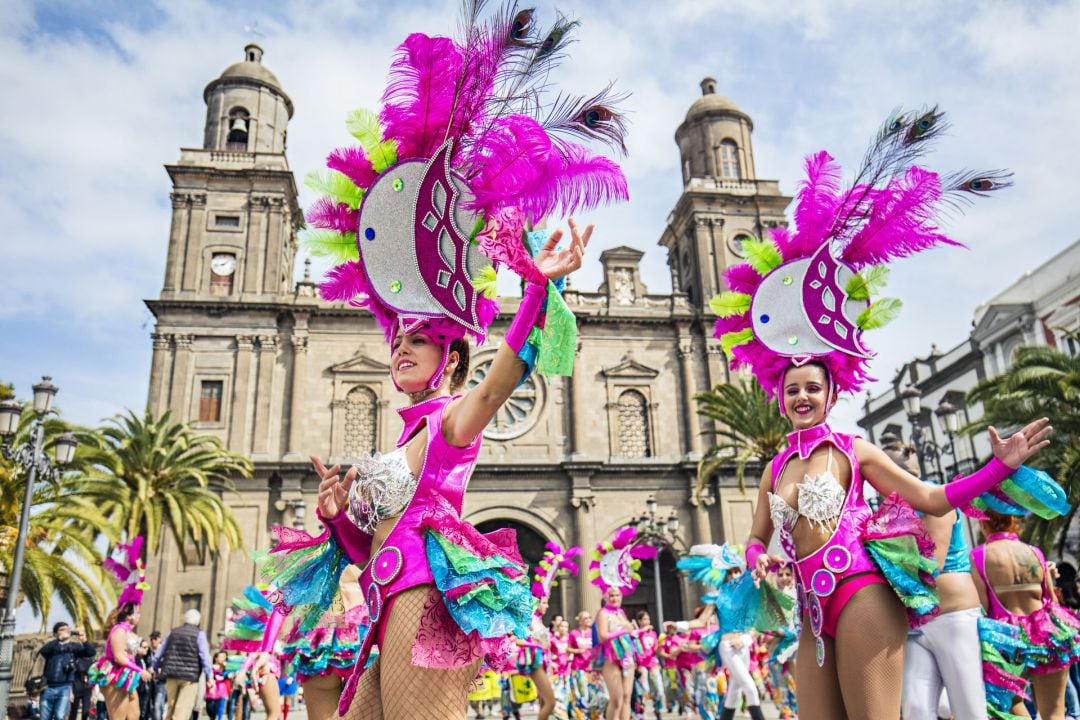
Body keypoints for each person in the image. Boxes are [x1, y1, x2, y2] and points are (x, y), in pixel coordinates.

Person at [252, 2, 625, 717]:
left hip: (427, 605)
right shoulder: (407, 434)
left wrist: (536, 287)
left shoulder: (456, 419)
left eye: (417, 338)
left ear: (452, 356)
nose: (400, 345)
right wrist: (338, 521)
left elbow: (507, 375)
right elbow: (375, 554)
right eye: (398, 337)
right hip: (390, 599)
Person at [707, 106, 1047, 718]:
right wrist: (755, 565)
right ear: (779, 397)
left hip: (861, 590)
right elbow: (758, 537)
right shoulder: (774, 465)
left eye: (813, 388)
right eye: (793, 391)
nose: (802, 397)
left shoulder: (852, 450)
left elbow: (934, 500)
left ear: (831, 393)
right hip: (809, 607)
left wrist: (997, 469)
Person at [884, 440, 988, 720]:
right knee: (916, 709)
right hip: (916, 624)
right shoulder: (889, 510)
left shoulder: (933, 497)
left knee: (969, 709)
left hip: (953, 617)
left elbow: (931, 564)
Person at [971, 509, 1080, 720]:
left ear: (984, 525)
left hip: (1008, 639)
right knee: (1055, 713)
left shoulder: (978, 556)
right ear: (1014, 522)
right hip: (1046, 631)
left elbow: (983, 606)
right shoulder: (1034, 552)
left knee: (1013, 705)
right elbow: (1051, 600)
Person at [156, 609, 213, 720]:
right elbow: (205, 657)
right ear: (198, 621)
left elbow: (159, 653)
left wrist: (155, 668)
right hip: (190, 678)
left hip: (171, 674)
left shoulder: (172, 632)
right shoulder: (199, 634)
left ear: (184, 619)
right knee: (182, 710)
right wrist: (209, 677)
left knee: (171, 709)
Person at [39, 621, 96, 720]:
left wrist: (84, 640)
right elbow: (43, 651)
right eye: (62, 629)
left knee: (60, 716)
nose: (66, 631)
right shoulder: (52, 646)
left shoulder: (74, 647)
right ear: (55, 633)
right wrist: (58, 640)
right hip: (48, 686)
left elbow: (91, 652)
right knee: (45, 717)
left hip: (65, 687)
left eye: (67, 629)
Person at [594, 588, 636, 720]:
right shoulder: (603, 613)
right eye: (611, 596)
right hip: (610, 657)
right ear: (605, 597)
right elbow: (602, 636)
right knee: (617, 699)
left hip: (627, 656)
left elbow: (629, 632)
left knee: (626, 697)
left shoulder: (621, 612)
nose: (615, 598)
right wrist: (624, 631)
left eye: (617, 595)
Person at [632, 611, 663, 720]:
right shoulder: (637, 633)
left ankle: (657, 708)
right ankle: (642, 712)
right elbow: (633, 636)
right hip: (641, 664)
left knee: (658, 688)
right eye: (644, 619)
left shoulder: (653, 634)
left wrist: (660, 647)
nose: (647, 622)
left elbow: (655, 649)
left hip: (652, 662)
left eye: (648, 619)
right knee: (644, 689)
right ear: (639, 621)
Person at [67, 627, 95, 720]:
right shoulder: (75, 655)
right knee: (73, 711)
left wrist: (94, 693)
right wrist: (70, 692)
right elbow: (70, 673)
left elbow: (91, 651)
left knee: (86, 711)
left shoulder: (90, 658)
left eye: (81, 635)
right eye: (78, 636)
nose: (79, 637)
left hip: (87, 688)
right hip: (76, 686)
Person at [204, 651, 229, 720]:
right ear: (216, 658)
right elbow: (207, 675)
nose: (223, 658)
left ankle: (218, 718)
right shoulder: (211, 667)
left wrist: (226, 669)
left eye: (224, 657)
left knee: (220, 708)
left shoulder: (226, 667)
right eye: (221, 657)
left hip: (222, 690)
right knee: (210, 707)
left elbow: (229, 675)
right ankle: (212, 717)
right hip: (212, 689)